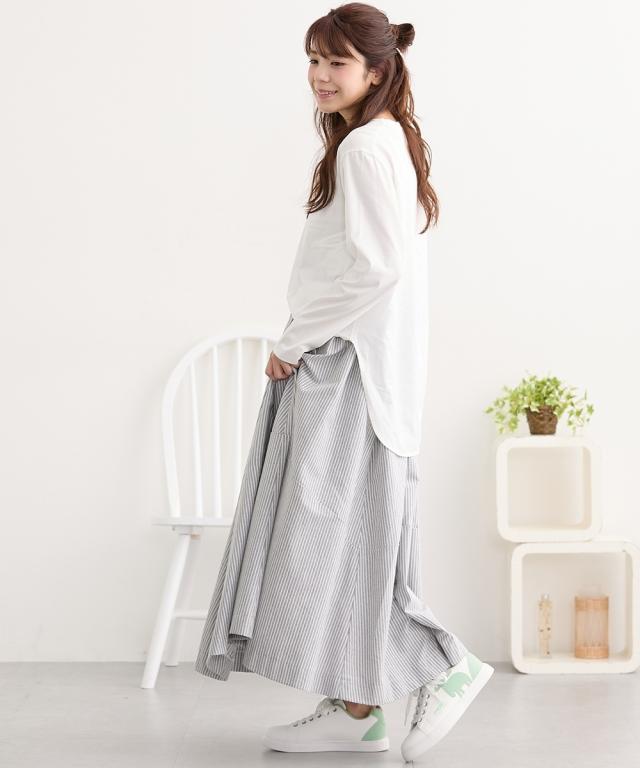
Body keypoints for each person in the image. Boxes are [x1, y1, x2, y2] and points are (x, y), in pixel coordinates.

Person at [194, 3, 494, 760]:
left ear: (376, 69)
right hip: (365, 369)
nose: (320, 76)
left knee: (322, 543)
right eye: (314, 59)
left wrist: (294, 341)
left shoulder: (365, 148)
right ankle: (359, 709)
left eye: (337, 62)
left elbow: (377, 269)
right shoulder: (381, 140)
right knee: (352, 542)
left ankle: (445, 664)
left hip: (347, 369)